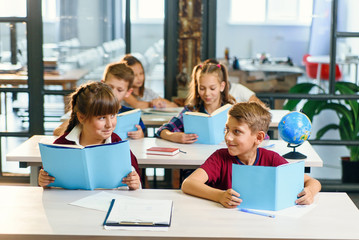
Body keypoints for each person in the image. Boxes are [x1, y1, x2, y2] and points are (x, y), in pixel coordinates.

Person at [181, 102, 321, 208]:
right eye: (227, 129)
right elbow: (188, 184)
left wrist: (309, 192)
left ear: (259, 138)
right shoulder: (220, 157)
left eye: (236, 132)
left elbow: (313, 182)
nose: (228, 137)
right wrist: (219, 196)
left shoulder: (272, 159)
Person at [39, 82, 141, 190]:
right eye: (101, 118)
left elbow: (135, 181)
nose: (109, 124)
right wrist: (43, 182)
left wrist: (135, 183)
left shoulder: (117, 143)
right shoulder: (61, 145)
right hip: (69, 204)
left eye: (112, 115)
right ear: (82, 117)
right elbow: (47, 183)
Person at [53, 62, 146, 139]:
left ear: (128, 92)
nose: (113, 93)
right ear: (102, 84)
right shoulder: (91, 109)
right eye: (110, 87)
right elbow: (57, 131)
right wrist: (81, 126)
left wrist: (140, 135)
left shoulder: (132, 114)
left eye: (119, 90)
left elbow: (144, 138)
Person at [156, 62, 236, 144]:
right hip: (196, 155)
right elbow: (162, 130)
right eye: (202, 88)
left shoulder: (232, 112)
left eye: (212, 88)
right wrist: (174, 136)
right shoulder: (191, 111)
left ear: (222, 86)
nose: (207, 93)